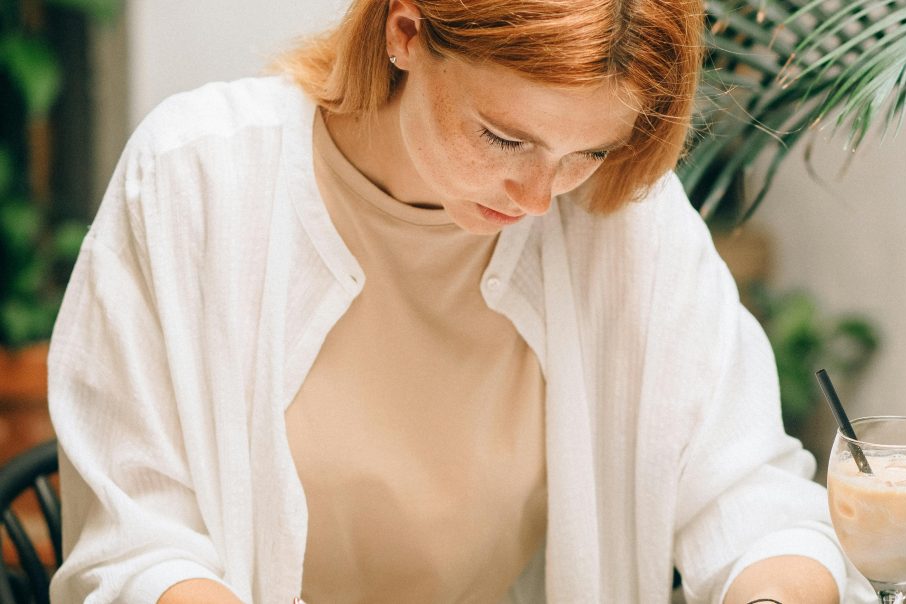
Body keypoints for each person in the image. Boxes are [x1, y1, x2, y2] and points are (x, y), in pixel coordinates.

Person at [47, 0, 862, 602]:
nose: (541, 198)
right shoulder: (195, 179)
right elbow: (138, 548)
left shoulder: (619, 219)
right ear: (404, 31)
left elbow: (749, 495)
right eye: (504, 139)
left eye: (586, 152)